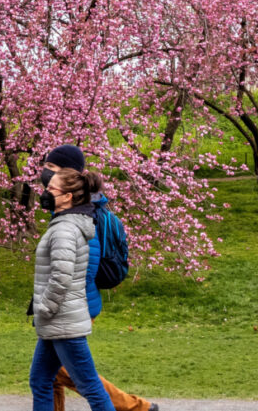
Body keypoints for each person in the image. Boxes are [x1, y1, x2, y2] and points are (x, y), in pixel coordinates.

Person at [40, 145, 157, 411]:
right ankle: (135, 407)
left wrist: (51, 305)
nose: (45, 175)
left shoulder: (82, 213)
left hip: (74, 303)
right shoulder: (72, 208)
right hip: (73, 302)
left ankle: (134, 407)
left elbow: (77, 270)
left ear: (70, 178)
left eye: (51, 169)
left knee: (73, 374)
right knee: (50, 374)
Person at [29, 165, 113, 411]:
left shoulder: (65, 229)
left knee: (90, 387)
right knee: (41, 380)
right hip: (59, 321)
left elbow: (61, 277)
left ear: (67, 197)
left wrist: (44, 307)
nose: (45, 192)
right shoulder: (67, 223)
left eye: (51, 188)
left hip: (63, 321)